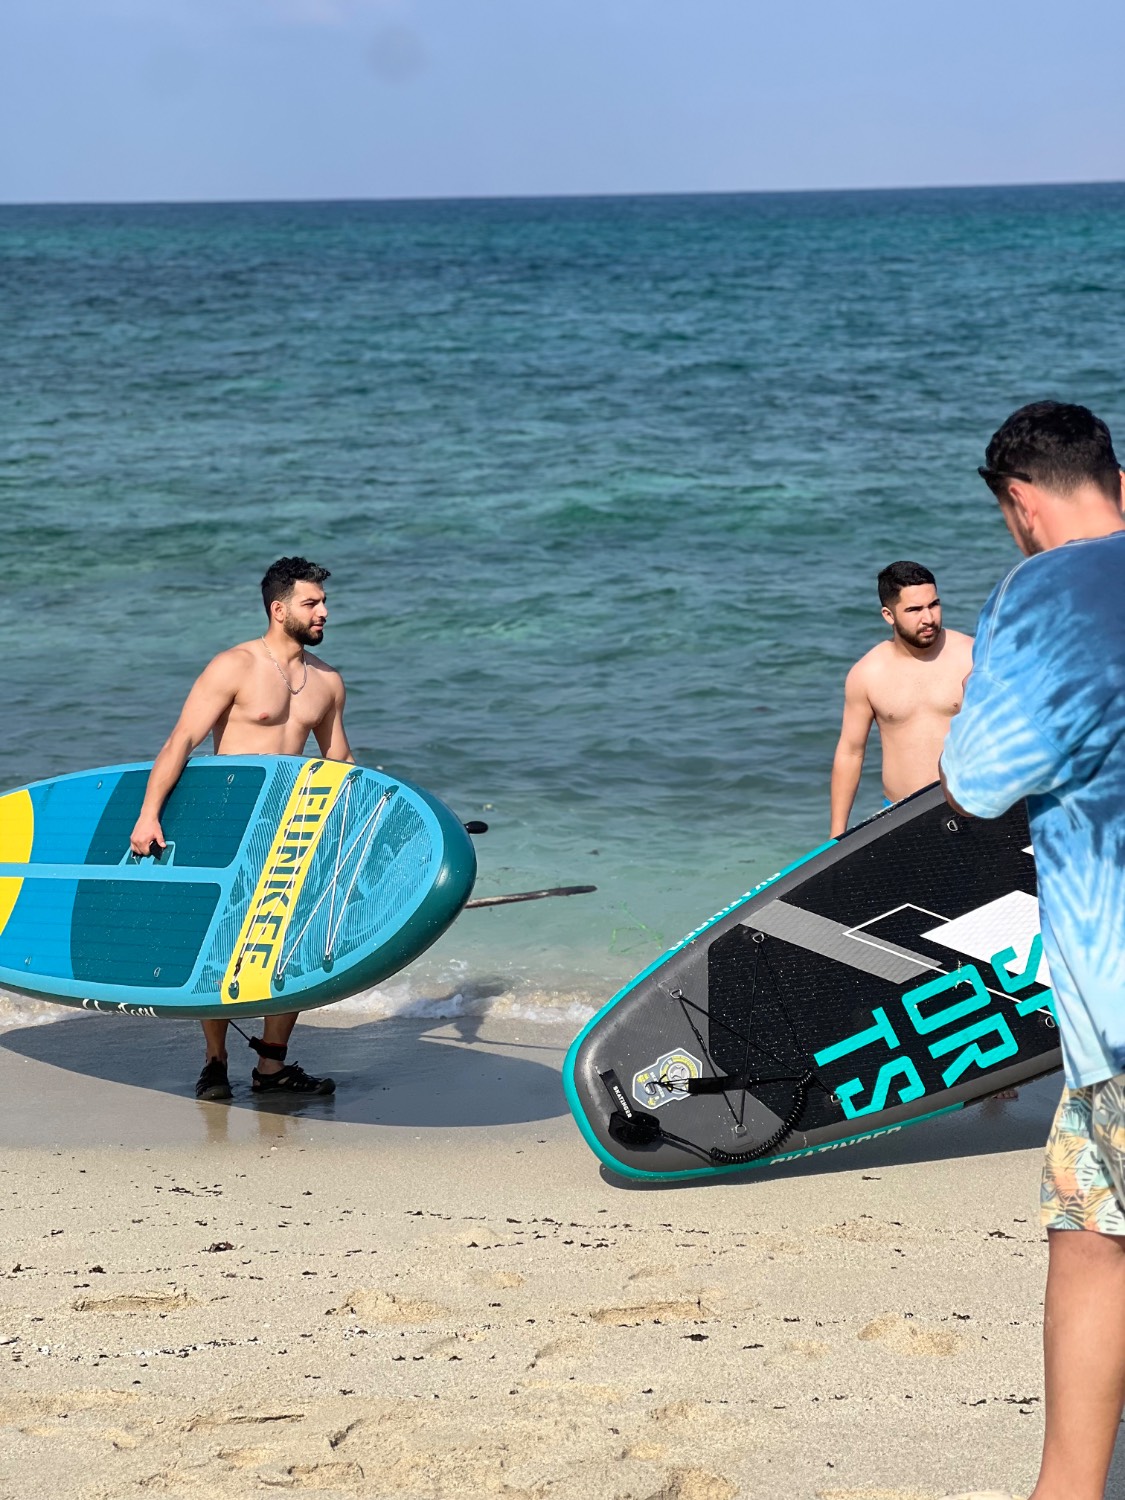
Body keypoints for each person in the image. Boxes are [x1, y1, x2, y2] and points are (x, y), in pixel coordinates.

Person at [937, 401, 1125, 1500]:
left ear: (1018, 503)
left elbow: (978, 778)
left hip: (1116, 1007)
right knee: (1087, 1233)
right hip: (1101, 1049)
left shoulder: (1039, 591)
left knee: (1097, 1236)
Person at [129, 557, 352, 1102]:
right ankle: (215, 1062)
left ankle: (271, 1066)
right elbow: (182, 740)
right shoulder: (234, 666)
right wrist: (149, 813)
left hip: (294, 825)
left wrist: (364, 820)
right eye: (311, 603)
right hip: (229, 823)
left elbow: (339, 760)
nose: (323, 611)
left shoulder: (327, 681)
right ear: (279, 609)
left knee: (292, 944)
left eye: (323, 602)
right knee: (221, 943)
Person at [829, 561, 973, 837]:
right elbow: (850, 753)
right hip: (902, 815)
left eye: (934, 605)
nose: (928, 618)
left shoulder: (972, 656)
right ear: (889, 615)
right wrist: (836, 836)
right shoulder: (867, 673)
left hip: (973, 808)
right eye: (914, 610)